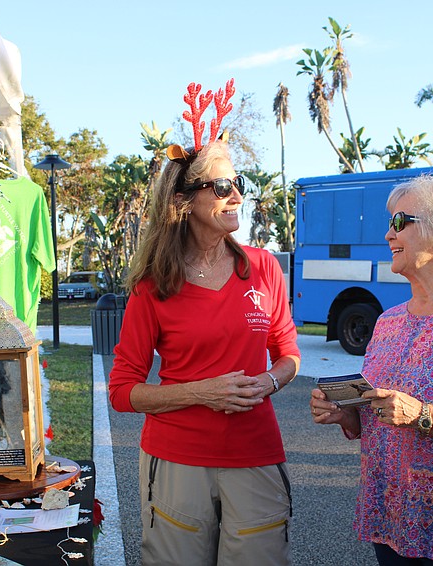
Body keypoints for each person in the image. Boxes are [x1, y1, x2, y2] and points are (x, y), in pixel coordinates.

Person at [108, 125, 300, 562]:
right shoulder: (153, 286)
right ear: (183, 201)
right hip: (177, 459)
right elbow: (121, 391)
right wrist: (202, 393)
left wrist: (270, 381)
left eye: (238, 183)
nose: (237, 196)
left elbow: (288, 352)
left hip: (255, 452)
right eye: (222, 187)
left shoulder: (264, 267)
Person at [309, 174, 433, 566]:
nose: (388, 234)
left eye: (401, 222)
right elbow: (377, 414)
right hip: (388, 516)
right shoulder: (388, 322)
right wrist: (344, 412)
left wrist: (421, 414)